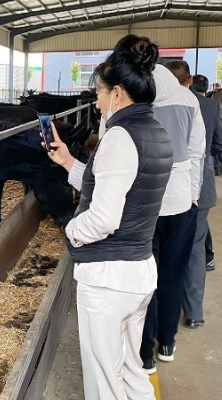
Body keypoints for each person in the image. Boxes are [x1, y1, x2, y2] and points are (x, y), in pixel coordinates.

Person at [46, 35, 173, 399]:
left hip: (108, 280)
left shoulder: (120, 136)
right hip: (138, 271)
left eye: (99, 94)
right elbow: (122, 186)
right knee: (132, 372)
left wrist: (71, 231)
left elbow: (103, 218)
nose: (97, 103)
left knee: (103, 381)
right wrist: (70, 164)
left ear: (117, 94)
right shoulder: (155, 130)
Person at [133, 53, 205, 372]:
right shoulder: (188, 98)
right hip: (179, 202)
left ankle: (145, 352)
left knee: (144, 277)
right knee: (172, 274)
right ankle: (167, 342)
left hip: (144, 203)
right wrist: (192, 193)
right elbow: (197, 151)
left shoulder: (133, 99)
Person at [171, 71, 222, 328]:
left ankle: (164, 312)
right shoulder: (212, 105)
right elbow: (219, 143)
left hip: (169, 185)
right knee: (195, 247)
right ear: (188, 80)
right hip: (201, 184)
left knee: (166, 245)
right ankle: (194, 313)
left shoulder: (163, 102)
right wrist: (209, 161)